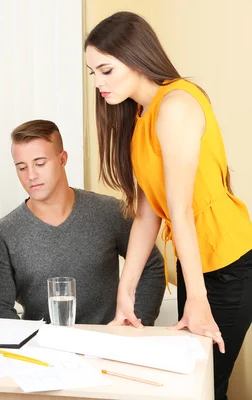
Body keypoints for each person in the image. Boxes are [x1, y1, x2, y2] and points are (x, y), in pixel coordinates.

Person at [85, 11, 252, 400]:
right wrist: (124, 292)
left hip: (229, 262)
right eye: (93, 73)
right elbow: (147, 213)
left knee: (206, 386)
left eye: (106, 70)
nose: (98, 84)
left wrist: (197, 299)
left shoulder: (175, 104)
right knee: (193, 386)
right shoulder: (142, 115)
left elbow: (178, 210)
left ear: (136, 57)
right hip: (198, 263)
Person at [0, 119, 165, 324]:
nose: (31, 176)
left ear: (62, 159)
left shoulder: (109, 212)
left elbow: (151, 266)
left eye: (40, 163)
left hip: (108, 343)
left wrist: (134, 322)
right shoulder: (4, 233)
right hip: (43, 348)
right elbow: (0, 308)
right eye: (21, 167)